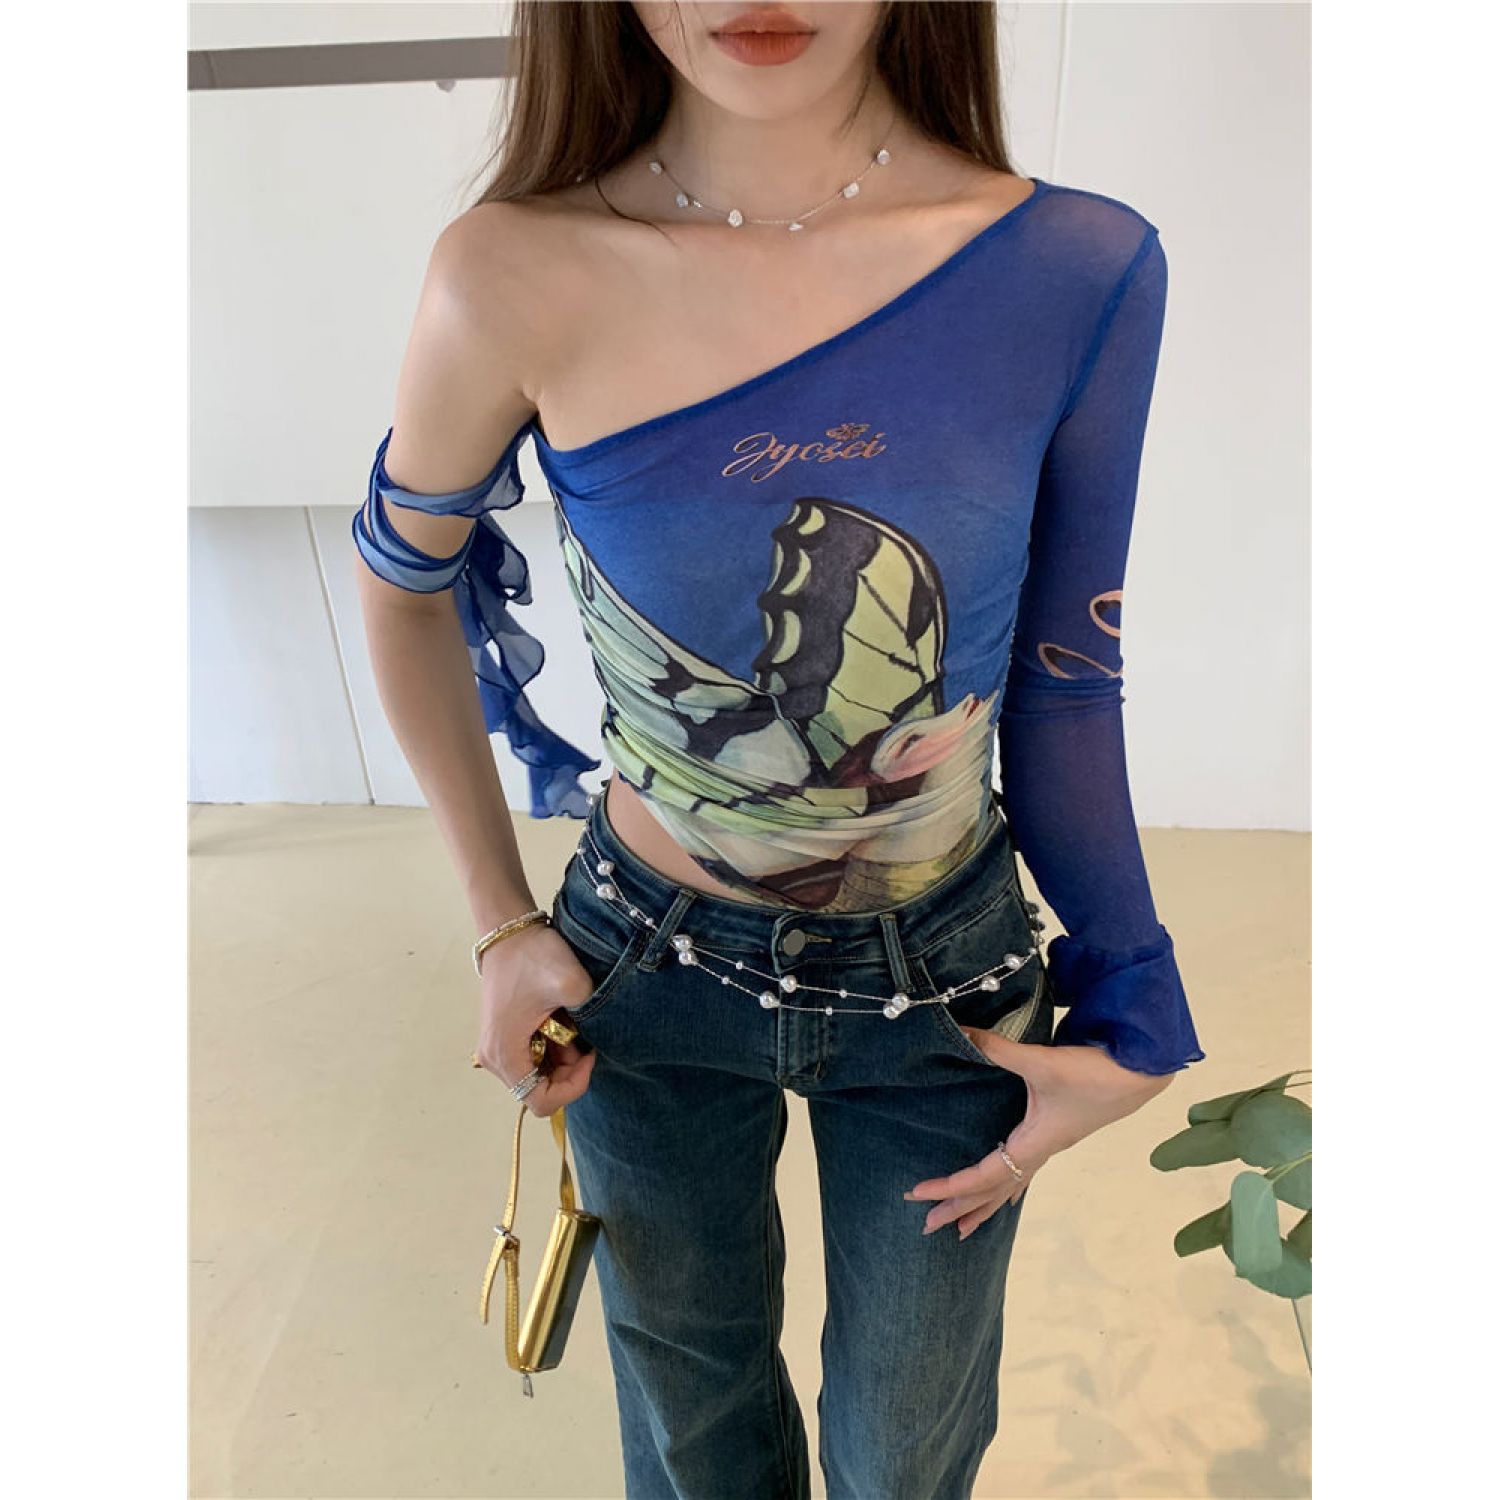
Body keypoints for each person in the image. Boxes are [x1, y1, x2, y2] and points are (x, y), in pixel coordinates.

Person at [351, 3, 1207, 1495]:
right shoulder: (510, 270)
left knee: (906, 1453)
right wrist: (501, 922)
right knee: (695, 1433)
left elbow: (1068, 677)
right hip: (641, 970)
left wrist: (1137, 999)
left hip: (942, 979)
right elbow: (404, 584)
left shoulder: (1077, 268)